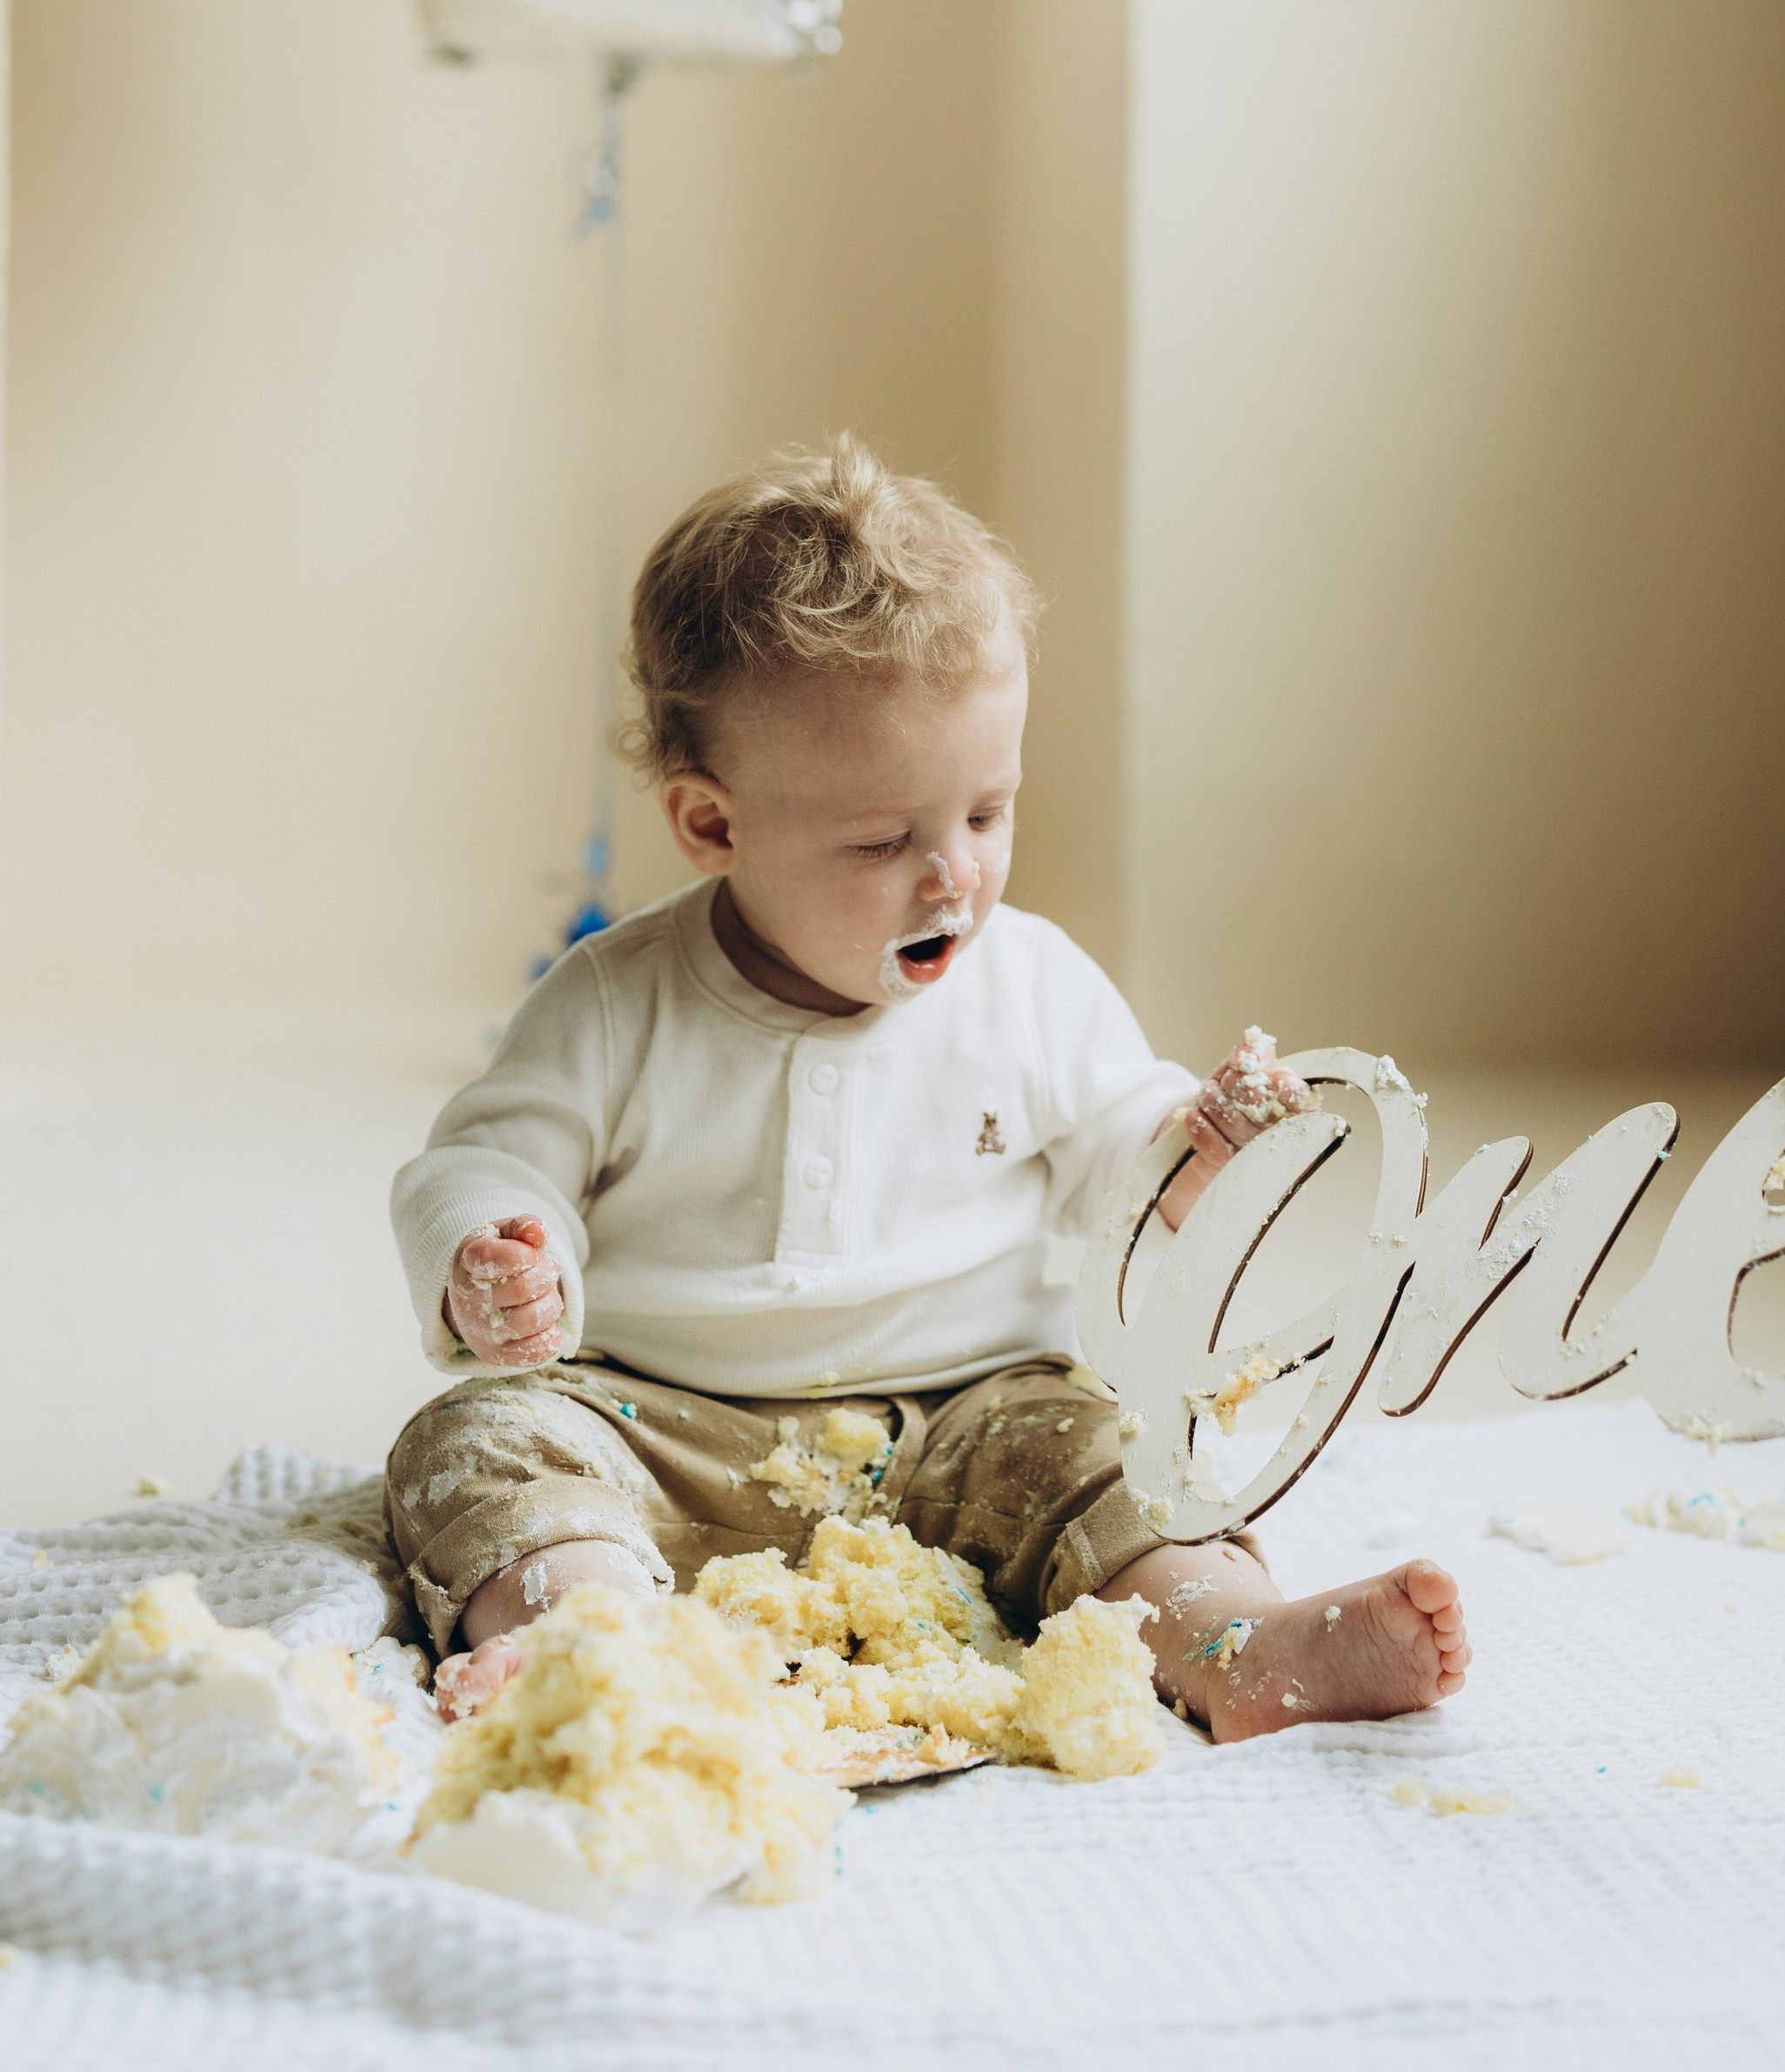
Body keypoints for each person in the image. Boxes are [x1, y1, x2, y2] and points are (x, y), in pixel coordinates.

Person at [386, 438, 1468, 1739]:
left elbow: (1124, 1151)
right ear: (714, 825)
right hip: (665, 1422)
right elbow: (485, 1160)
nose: (952, 876)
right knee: (477, 1441)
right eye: (885, 840)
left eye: (987, 812)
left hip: (978, 1417)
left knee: (1111, 1448)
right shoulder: (618, 1001)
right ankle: (593, 1633)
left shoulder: (1034, 985)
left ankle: (1233, 1638)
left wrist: (1196, 1150)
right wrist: (497, 1250)